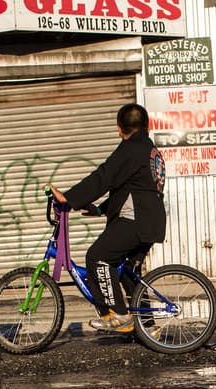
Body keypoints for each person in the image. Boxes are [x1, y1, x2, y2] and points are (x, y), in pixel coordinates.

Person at [48, 103, 166, 333]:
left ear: (120, 129)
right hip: (149, 221)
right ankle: (148, 329)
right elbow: (131, 188)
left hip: (135, 221)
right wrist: (100, 210)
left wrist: (69, 198)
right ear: (147, 127)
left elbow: (104, 176)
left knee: (98, 257)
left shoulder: (131, 149)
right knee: (129, 274)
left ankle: (119, 315)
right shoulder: (149, 150)